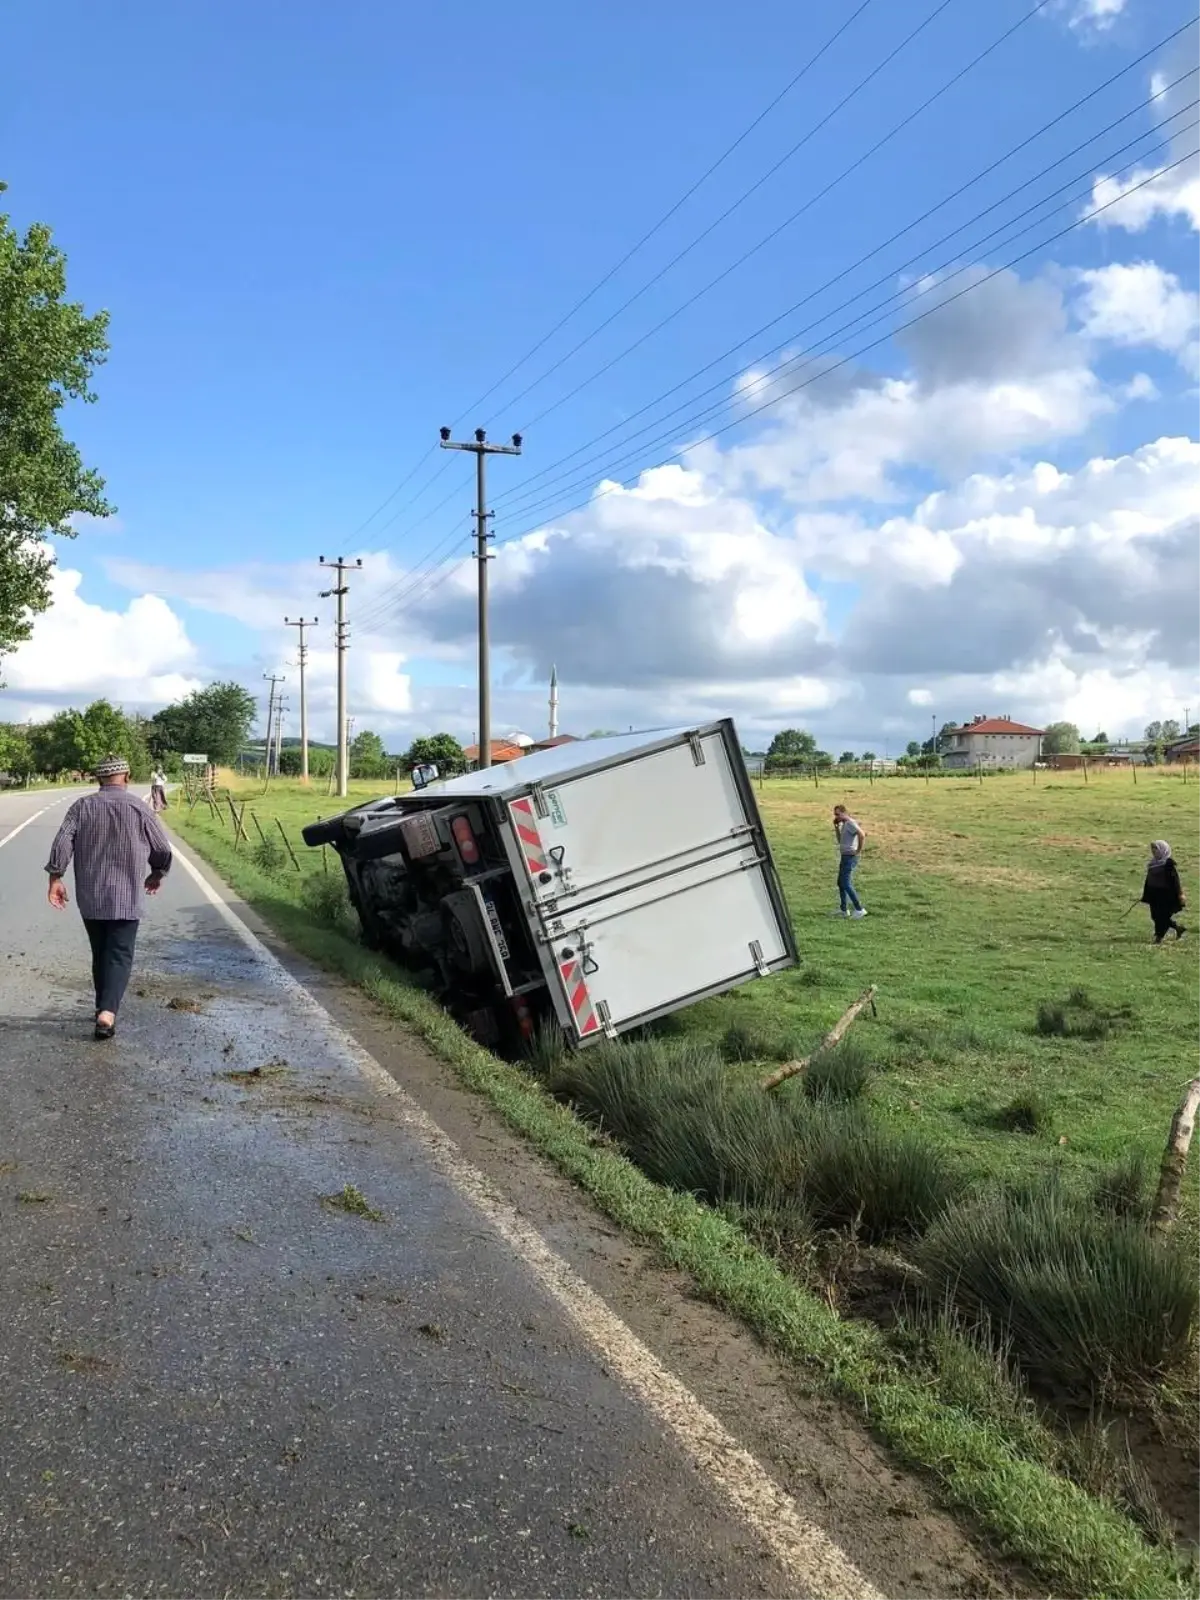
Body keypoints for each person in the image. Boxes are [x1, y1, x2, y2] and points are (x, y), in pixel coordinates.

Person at [45, 754, 173, 1040]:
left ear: (99, 778)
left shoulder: (82, 807)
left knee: (100, 951)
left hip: (90, 896)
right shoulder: (139, 808)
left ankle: (101, 1007)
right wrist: (157, 872)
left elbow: (62, 842)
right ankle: (107, 1012)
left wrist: (56, 877)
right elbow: (162, 849)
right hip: (127, 895)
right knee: (119, 952)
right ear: (126, 777)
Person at [1142, 840, 1186, 944]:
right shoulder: (1152, 864)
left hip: (1166, 896)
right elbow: (1149, 880)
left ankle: (1159, 937)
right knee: (1155, 916)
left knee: (1162, 917)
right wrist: (1146, 894)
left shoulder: (1168, 865)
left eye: (1156, 849)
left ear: (1163, 850)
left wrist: (1180, 894)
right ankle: (1178, 928)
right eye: (1152, 849)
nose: (1153, 851)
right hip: (1154, 895)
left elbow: (1175, 881)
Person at [832, 803, 867, 919]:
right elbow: (840, 841)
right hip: (845, 856)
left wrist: (858, 851)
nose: (836, 817)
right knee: (840, 883)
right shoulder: (845, 824)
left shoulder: (850, 823)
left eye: (838, 814)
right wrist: (836, 827)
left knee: (845, 883)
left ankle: (859, 909)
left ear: (844, 813)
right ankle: (844, 909)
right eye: (835, 815)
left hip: (849, 857)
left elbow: (862, 835)